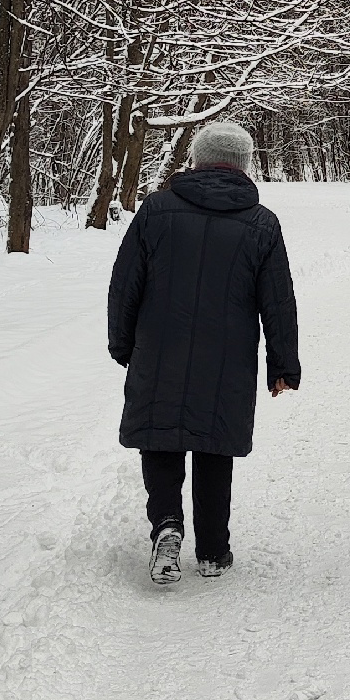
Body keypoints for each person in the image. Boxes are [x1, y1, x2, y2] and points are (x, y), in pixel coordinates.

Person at [108, 119, 299, 586]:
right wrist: (283, 364)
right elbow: (277, 300)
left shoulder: (156, 210)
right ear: (244, 165)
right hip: (227, 356)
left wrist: (122, 341)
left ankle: (167, 525)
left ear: (194, 160)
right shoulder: (261, 222)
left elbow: (125, 283)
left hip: (159, 348)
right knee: (214, 444)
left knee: (160, 436)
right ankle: (213, 549)